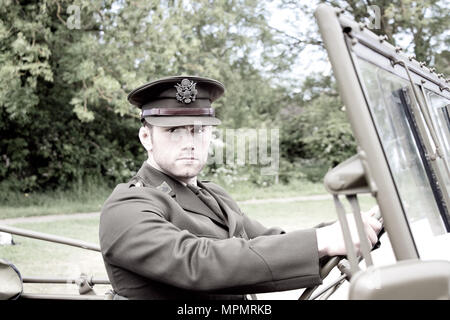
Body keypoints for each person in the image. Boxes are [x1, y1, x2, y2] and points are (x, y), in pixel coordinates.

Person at [99, 76, 382, 300]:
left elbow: (269, 242)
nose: (189, 142)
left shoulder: (215, 195)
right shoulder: (128, 206)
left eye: (198, 130)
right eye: (174, 130)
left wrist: (346, 228)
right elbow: (197, 262)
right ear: (146, 137)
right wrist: (321, 240)